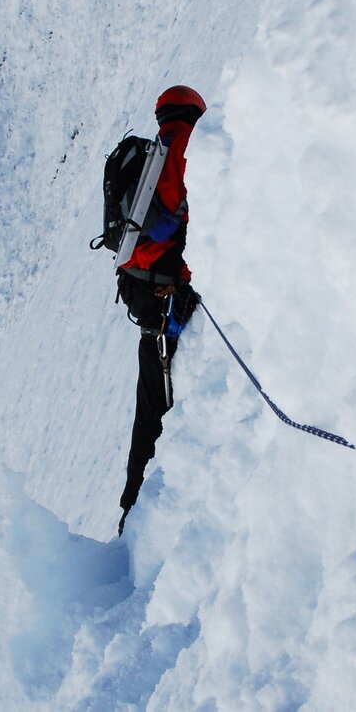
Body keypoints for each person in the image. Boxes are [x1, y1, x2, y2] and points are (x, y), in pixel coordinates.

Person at [116, 85, 206, 536]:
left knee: (146, 411)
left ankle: (131, 508)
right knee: (156, 413)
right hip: (164, 301)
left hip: (144, 298)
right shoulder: (182, 154)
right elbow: (176, 219)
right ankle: (137, 514)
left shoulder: (152, 153)